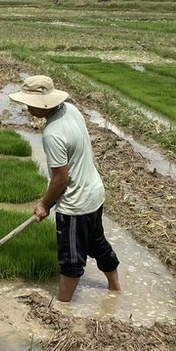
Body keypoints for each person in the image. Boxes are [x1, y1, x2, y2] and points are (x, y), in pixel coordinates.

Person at [9, 75, 122, 302]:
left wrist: (44, 204)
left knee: (71, 259)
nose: (28, 108)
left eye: (31, 104)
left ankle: (63, 308)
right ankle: (116, 290)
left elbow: (61, 179)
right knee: (97, 242)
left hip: (76, 204)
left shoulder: (52, 134)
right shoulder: (70, 110)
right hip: (94, 193)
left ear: (45, 104)